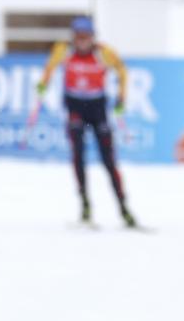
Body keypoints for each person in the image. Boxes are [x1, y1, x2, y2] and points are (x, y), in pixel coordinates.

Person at [38, 16, 137, 227]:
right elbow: (50, 66)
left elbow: (122, 71)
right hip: (75, 107)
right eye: (78, 37)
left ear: (93, 37)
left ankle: (124, 209)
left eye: (86, 37)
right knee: (78, 158)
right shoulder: (64, 50)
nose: (82, 41)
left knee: (108, 161)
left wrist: (121, 98)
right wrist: (43, 84)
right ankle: (85, 206)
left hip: (97, 108)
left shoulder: (103, 52)